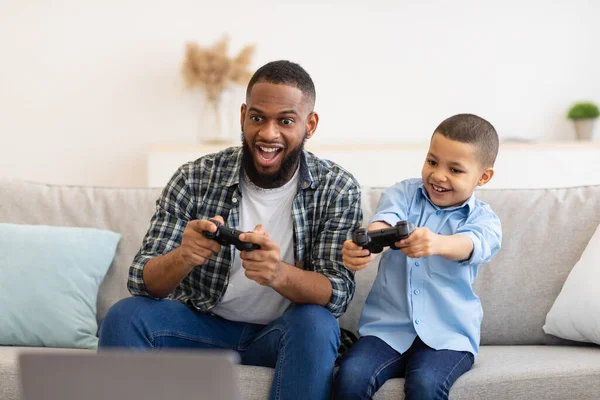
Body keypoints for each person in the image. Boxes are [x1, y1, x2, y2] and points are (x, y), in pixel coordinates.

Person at [98, 60, 362, 400]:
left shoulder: (337, 188)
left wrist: (278, 273)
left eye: (285, 120)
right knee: (125, 316)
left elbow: (337, 292)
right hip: (200, 327)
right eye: (257, 118)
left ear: (310, 124)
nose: (268, 133)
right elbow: (141, 280)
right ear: (242, 116)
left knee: (317, 323)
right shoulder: (195, 177)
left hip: (280, 334)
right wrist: (184, 256)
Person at [333, 113, 502, 400]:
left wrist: (437, 244)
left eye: (456, 170)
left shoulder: (484, 219)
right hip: (386, 331)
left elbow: (473, 244)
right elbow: (384, 222)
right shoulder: (403, 194)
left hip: (449, 338)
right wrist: (367, 244)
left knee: (425, 384)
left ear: (483, 177)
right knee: (351, 375)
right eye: (433, 161)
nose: (438, 175)